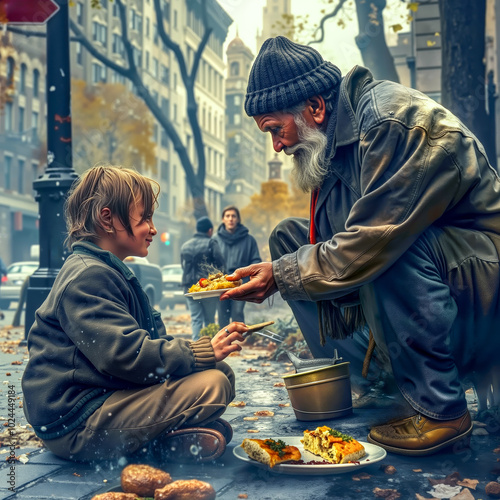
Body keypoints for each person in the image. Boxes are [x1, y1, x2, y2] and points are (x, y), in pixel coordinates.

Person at [220, 36, 500, 456]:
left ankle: (441, 408)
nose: (277, 146)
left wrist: (281, 275)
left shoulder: (388, 123)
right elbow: (327, 243)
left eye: (276, 130)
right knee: (288, 241)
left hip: (480, 274)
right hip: (435, 272)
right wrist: (283, 268)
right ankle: (373, 385)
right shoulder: (334, 141)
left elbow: (376, 238)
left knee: (385, 246)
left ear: (315, 107)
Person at [21, 165, 248, 464]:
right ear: (107, 219)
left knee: (219, 373)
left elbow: (147, 343)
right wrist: (200, 351)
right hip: (76, 422)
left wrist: (200, 358)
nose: (153, 229)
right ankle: (157, 442)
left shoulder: (109, 270)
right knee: (213, 385)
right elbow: (126, 355)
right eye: (145, 218)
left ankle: (166, 435)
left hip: (106, 396)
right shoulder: (87, 277)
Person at [212, 205, 261, 326]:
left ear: (238, 219)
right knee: (222, 315)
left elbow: (256, 261)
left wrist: (250, 280)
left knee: (237, 313)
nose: (231, 219)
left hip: (241, 283)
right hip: (220, 285)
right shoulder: (214, 240)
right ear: (223, 219)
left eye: (233, 216)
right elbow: (209, 262)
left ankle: (238, 342)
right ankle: (223, 343)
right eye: (227, 216)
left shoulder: (249, 240)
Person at [181, 216, 225, 340]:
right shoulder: (211, 243)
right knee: (209, 319)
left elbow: (183, 267)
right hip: (207, 288)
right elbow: (221, 263)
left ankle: (197, 347)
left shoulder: (185, 246)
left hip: (189, 287)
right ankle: (211, 347)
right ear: (210, 230)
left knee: (195, 318)